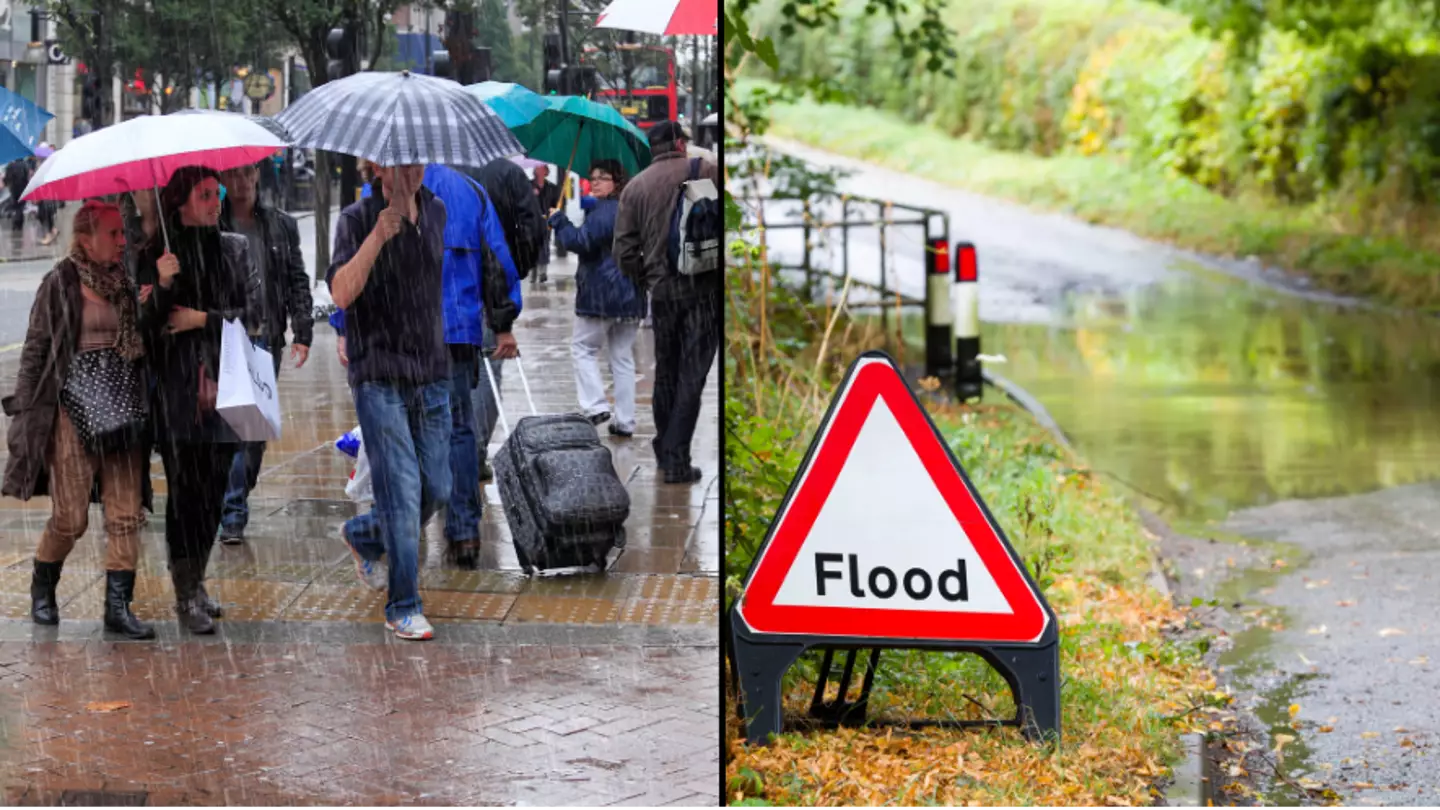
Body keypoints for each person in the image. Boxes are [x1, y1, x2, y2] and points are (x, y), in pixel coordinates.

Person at [2, 200, 155, 639]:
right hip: (72, 407)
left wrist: (152, 297)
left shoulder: (125, 282)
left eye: (123, 234)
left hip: (121, 403)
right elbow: (35, 349)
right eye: (113, 234)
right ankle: (43, 586)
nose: (122, 241)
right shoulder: (60, 282)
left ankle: (118, 608)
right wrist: (27, 413)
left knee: (126, 513)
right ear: (86, 238)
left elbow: (143, 342)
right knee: (71, 518)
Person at [134, 166, 262, 634]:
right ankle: (185, 591)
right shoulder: (156, 253)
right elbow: (144, 328)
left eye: (217, 193)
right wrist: (163, 286)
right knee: (184, 496)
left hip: (228, 388)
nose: (215, 202)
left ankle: (198, 579)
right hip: (176, 393)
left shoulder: (235, 248)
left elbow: (254, 316)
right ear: (181, 203)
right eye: (205, 195)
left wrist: (201, 319)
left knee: (212, 495)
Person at [329, 162, 451, 642]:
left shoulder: (436, 211)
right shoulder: (356, 219)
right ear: (377, 165)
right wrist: (380, 234)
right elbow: (341, 293)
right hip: (378, 373)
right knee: (401, 491)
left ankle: (364, 535)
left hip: (431, 371)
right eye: (401, 162)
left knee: (436, 487)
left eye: (418, 161)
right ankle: (403, 604)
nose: (411, 171)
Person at [614, 121, 721, 485]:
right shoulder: (704, 171)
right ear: (679, 142)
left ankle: (667, 450)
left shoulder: (635, 187)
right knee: (693, 375)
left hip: (662, 294)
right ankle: (675, 457)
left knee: (668, 373)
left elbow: (624, 251)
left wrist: (648, 279)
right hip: (703, 288)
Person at [216, 161, 314, 544]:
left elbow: (296, 278)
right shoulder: (213, 224)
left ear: (257, 175)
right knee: (232, 427)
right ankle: (233, 511)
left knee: (254, 432)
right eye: (232, 174)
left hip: (265, 335)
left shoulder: (280, 225)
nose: (240, 181)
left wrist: (302, 329)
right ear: (223, 179)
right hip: (225, 334)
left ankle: (237, 492)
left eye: (246, 173)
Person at [465, 157, 547, 482]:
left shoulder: (437, 172)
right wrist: (515, 268)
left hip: (448, 293)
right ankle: (473, 452)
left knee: (450, 373)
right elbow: (532, 228)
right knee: (487, 369)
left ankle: (453, 450)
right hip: (492, 289)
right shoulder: (507, 172)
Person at [553, 160, 644, 437]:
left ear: (616, 182)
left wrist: (559, 221)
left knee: (582, 348)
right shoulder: (631, 210)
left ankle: (595, 406)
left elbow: (581, 242)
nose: (595, 182)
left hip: (601, 294)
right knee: (621, 357)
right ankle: (625, 420)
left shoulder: (606, 212)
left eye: (602, 178)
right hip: (630, 295)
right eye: (592, 178)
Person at [531, 164, 561, 285]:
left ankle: (543, 272)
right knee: (533, 246)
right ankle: (533, 271)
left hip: (546, 220)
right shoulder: (528, 185)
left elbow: (555, 204)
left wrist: (552, 214)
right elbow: (523, 201)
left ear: (546, 171)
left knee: (544, 245)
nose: (540, 169)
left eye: (543, 168)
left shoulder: (551, 188)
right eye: (538, 167)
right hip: (532, 220)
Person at [4, 158, 30, 235]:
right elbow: (27, 178)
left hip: (13, 189)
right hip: (23, 188)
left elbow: (6, 178)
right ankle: (19, 223)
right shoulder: (25, 165)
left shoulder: (10, 165)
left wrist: (7, 184)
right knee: (21, 207)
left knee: (15, 206)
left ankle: (15, 223)